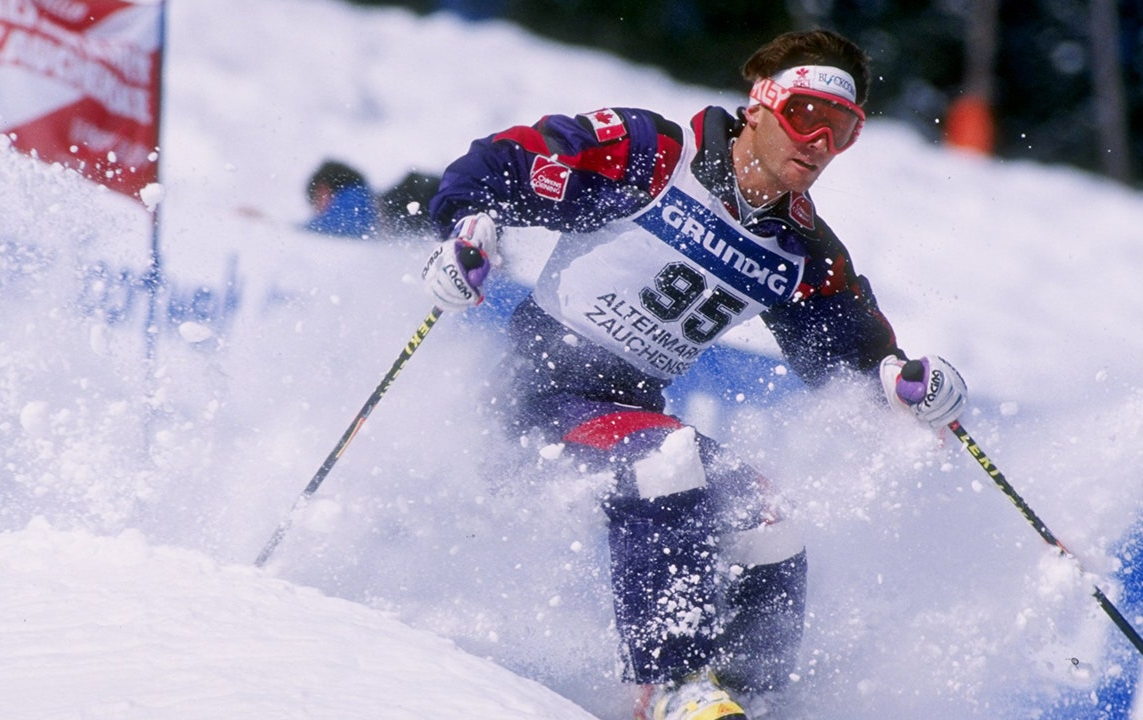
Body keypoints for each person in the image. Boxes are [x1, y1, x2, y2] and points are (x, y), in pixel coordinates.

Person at [419, 29, 968, 720]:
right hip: (540, 392)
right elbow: (505, 163)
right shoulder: (653, 154)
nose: (819, 143)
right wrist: (466, 228)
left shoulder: (799, 248)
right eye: (805, 116)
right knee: (666, 461)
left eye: (842, 129)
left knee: (765, 520)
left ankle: (752, 701)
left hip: (630, 411)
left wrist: (905, 385)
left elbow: (851, 357)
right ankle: (670, 686)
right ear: (760, 105)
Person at [304, 160, 440, 238]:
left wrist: (298, 229)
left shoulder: (353, 200)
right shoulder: (363, 199)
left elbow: (345, 223)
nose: (318, 211)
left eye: (317, 201)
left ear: (324, 189)